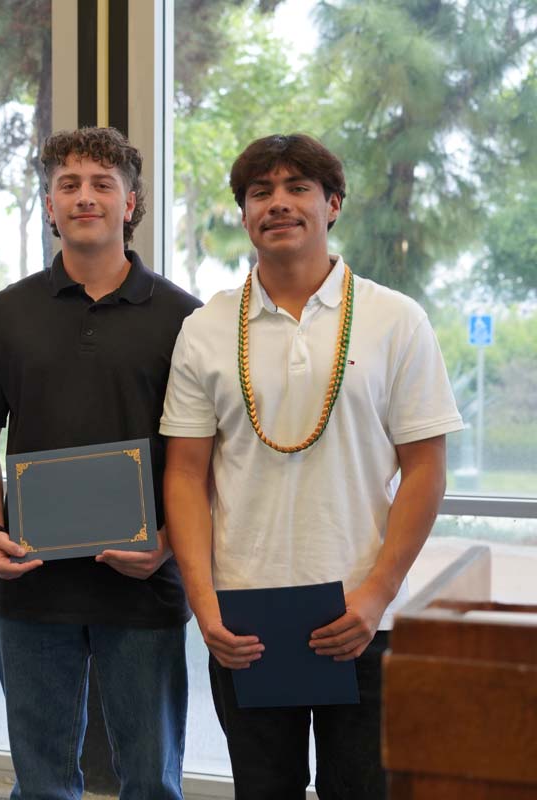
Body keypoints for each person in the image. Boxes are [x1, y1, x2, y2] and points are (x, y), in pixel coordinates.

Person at [161, 133, 463, 799]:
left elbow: (424, 467)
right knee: (264, 790)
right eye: (260, 192)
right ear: (243, 214)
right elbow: (184, 474)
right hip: (245, 618)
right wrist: (204, 603)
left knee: (361, 790)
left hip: (362, 613)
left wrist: (378, 592)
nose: (278, 203)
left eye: (298, 188)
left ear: (332, 205)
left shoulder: (395, 319)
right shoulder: (207, 329)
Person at [0, 127, 199, 799]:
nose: (84, 197)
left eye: (101, 185)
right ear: (50, 205)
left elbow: (206, 461)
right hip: (30, 583)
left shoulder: (185, 318)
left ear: (131, 204)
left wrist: (170, 546)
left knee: (151, 782)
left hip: (145, 585)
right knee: (40, 782)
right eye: (68, 185)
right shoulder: (6, 313)